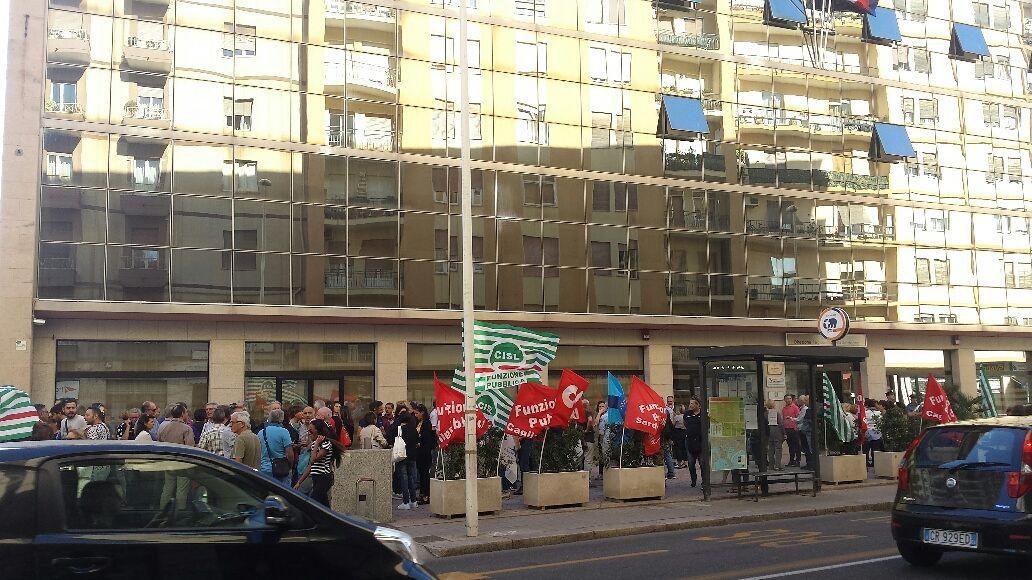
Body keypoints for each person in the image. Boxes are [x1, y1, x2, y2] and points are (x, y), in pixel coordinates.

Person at [294, 419, 340, 507]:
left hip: (324, 477)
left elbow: (313, 459)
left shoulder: (326, 444)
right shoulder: (315, 444)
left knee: (313, 503)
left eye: (310, 430)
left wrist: (316, 444)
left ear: (318, 431)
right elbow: (310, 466)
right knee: (324, 505)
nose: (308, 433)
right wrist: (299, 482)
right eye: (308, 430)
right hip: (316, 477)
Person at [259, 409, 295, 487]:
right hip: (281, 469)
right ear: (281, 419)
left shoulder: (261, 432)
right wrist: (290, 466)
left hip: (264, 468)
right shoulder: (284, 431)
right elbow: (290, 453)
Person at [394, 409, 419, 510]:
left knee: (404, 479)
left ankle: (405, 502)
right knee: (411, 478)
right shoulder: (413, 429)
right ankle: (413, 501)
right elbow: (417, 441)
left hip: (402, 456)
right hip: (412, 456)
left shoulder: (399, 429)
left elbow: (391, 438)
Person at [413, 404, 437, 504]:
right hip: (419, 452)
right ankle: (422, 494)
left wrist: (419, 442)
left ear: (422, 412)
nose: (415, 415)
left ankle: (426, 495)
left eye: (417, 413)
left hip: (424, 452)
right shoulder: (419, 422)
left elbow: (426, 438)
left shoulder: (427, 423)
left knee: (424, 474)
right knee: (422, 474)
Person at [684, 398, 703, 487]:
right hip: (690, 441)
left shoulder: (703, 414)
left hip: (701, 442)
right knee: (691, 464)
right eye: (690, 403)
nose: (690, 405)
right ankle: (693, 480)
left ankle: (704, 481)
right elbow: (685, 424)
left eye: (692, 403)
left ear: (697, 404)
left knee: (702, 463)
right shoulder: (687, 414)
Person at [763, 399, 785, 471]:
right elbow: (781, 424)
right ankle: (777, 465)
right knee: (778, 449)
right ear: (774, 405)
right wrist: (784, 433)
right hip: (777, 432)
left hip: (768, 433)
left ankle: (771, 465)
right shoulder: (776, 413)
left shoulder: (765, 414)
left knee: (771, 450)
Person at [782, 394, 801, 468]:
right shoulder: (784, 409)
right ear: (784, 400)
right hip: (787, 429)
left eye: (790, 398)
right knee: (790, 446)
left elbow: (798, 418)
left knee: (797, 445)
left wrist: (796, 427)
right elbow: (783, 419)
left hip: (794, 429)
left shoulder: (795, 408)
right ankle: (791, 460)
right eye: (787, 398)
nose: (788, 400)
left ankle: (798, 460)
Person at [797, 394, 814, 470]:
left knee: (809, 449)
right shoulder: (808, 409)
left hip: (809, 432)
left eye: (806, 400)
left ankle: (811, 464)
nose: (804, 402)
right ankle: (809, 463)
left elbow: (807, 421)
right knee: (807, 449)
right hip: (806, 432)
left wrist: (804, 429)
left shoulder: (810, 410)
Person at [662, 396, 677, 480]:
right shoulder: (667, 411)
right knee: (667, 454)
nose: (670, 402)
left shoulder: (665, 411)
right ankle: (671, 472)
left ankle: (669, 473)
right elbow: (671, 425)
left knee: (665, 454)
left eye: (671, 401)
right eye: (668, 401)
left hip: (663, 436)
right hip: (666, 435)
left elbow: (671, 425)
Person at [671, 403, 688, 469]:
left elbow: (673, 425)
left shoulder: (676, 417)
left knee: (678, 448)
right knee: (684, 448)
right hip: (684, 432)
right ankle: (685, 462)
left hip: (678, 433)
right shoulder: (685, 416)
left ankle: (679, 462)